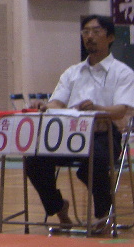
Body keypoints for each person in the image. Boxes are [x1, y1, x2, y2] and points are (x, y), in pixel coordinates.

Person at [25, 14, 134, 230]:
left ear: (110, 37)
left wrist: (97, 108)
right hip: (69, 134)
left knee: (95, 160)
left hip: (105, 134)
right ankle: (58, 206)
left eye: (96, 31)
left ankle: (103, 213)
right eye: (85, 32)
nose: (89, 36)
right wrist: (45, 106)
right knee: (34, 158)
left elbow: (121, 110)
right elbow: (57, 102)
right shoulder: (72, 73)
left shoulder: (123, 73)